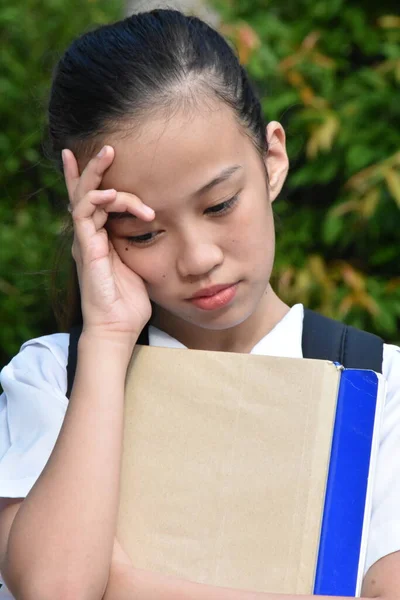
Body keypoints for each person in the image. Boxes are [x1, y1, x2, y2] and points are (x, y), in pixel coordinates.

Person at [0, 9, 399, 600]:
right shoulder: (56, 380)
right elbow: (57, 589)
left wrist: (127, 585)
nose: (197, 258)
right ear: (96, 229)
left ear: (273, 160)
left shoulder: (382, 384)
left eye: (218, 205)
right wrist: (107, 340)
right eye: (142, 233)